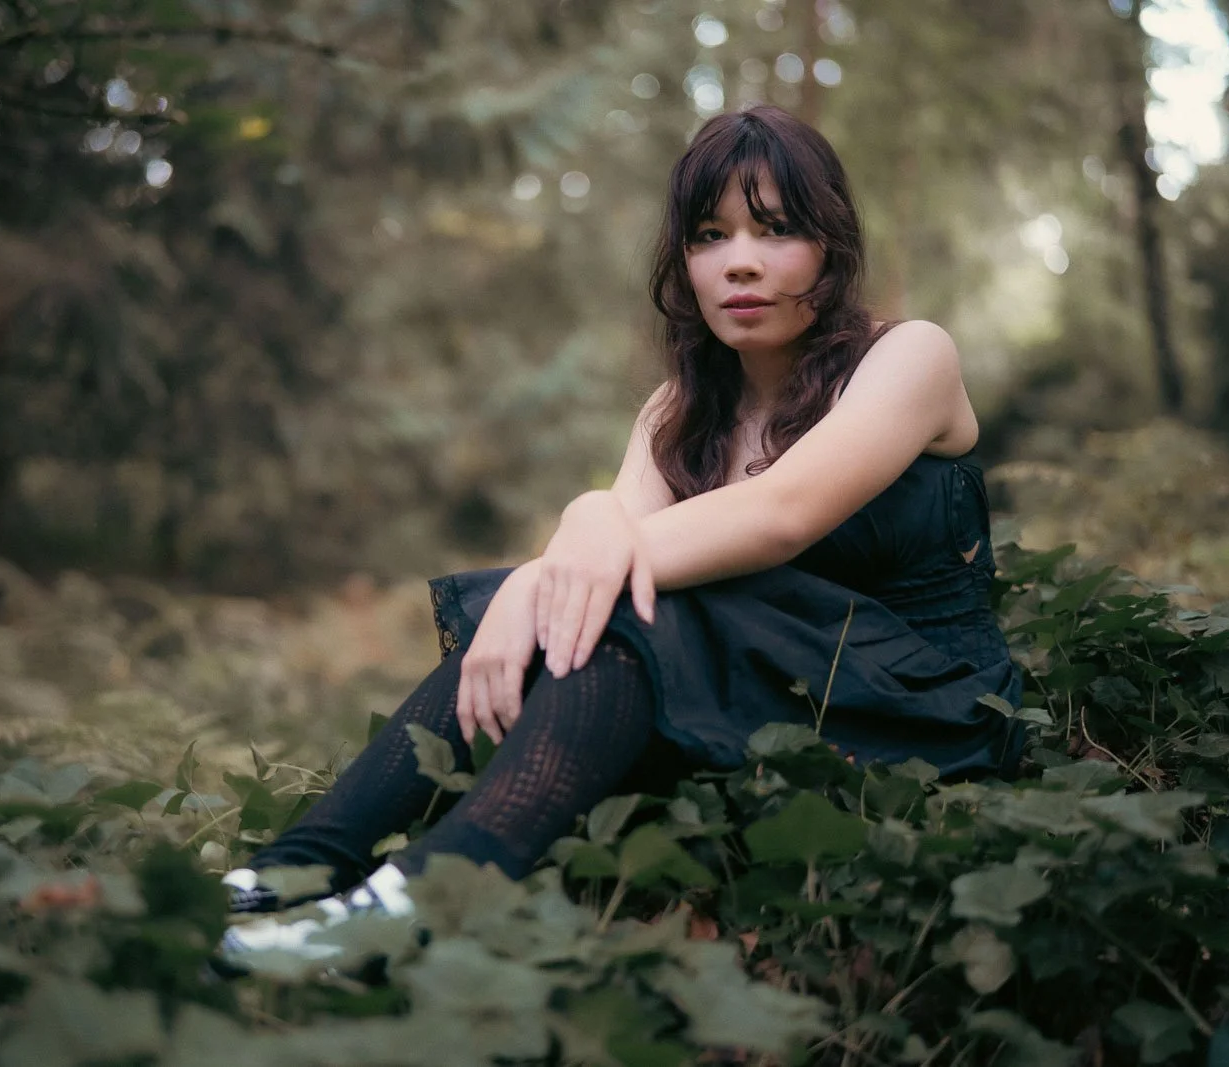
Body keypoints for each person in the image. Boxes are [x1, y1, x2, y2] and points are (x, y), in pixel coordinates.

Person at [217, 104, 1024, 962]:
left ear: (831, 245)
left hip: (923, 703)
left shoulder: (909, 357)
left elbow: (780, 516)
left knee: (609, 600)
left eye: (777, 229)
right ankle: (286, 872)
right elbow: (612, 546)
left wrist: (542, 575)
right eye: (710, 235)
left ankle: (409, 902)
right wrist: (580, 521)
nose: (740, 262)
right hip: (771, 704)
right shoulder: (679, 409)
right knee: (591, 605)